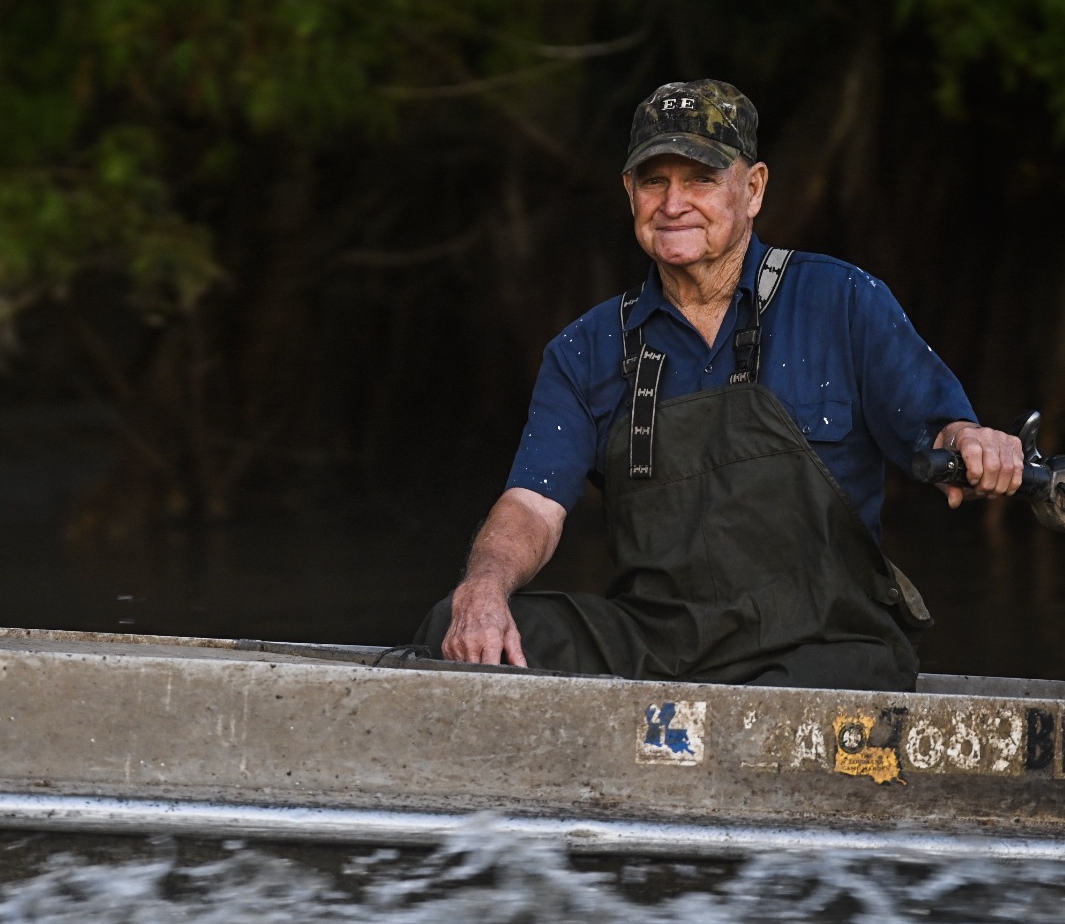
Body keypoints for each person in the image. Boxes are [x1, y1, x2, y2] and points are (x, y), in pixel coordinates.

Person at [414, 79, 1025, 691]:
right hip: (656, 647)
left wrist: (977, 444)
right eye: (654, 181)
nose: (673, 203)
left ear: (753, 189)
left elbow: (942, 433)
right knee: (459, 627)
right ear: (629, 193)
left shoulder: (842, 302)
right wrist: (485, 586)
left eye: (701, 179)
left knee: (824, 683)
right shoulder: (587, 349)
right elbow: (532, 505)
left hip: (824, 646)